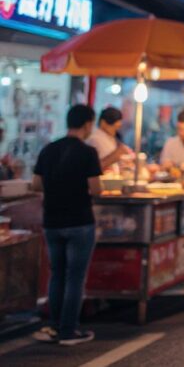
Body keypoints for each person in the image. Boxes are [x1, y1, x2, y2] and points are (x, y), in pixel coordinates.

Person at [30, 105, 102, 346]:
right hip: (79, 221)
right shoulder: (88, 152)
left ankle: (53, 325)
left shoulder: (49, 149)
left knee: (56, 274)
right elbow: (95, 189)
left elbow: (36, 185)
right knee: (74, 277)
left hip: (52, 221)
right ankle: (69, 331)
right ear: (88, 124)